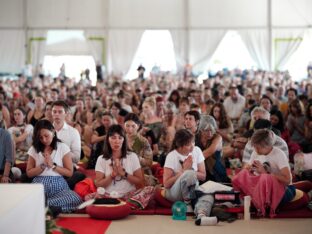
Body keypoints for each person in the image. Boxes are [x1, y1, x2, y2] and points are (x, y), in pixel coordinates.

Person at [232, 129, 295, 217]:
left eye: (258, 147)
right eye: (254, 146)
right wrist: (248, 169)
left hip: (285, 189)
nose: (255, 149)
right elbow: (249, 171)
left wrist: (265, 173)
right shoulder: (255, 152)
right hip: (262, 187)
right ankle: (243, 202)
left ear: (268, 146)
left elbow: (288, 180)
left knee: (265, 178)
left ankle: (261, 206)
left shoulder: (279, 154)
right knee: (241, 175)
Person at [26, 120, 82, 212]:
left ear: (53, 132)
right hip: (40, 184)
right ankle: (50, 208)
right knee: (28, 199)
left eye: (46, 136)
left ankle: (44, 206)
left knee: (75, 199)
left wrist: (53, 166)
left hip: (59, 185)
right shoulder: (34, 149)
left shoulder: (62, 147)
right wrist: (42, 166)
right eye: (40, 138)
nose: (44, 140)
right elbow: (29, 173)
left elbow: (69, 172)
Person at [94, 124, 154, 209]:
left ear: (124, 140)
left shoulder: (132, 156)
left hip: (129, 196)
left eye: (120, 138)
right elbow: (99, 184)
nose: (117, 141)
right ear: (108, 140)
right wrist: (112, 175)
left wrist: (124, 174)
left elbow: (140, 182)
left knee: (150, 190)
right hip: (108, 195)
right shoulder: (101, 159)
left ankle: (122, 205)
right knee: (90, 196)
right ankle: (124, 206)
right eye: (113, 138)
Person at [163, 129, 206, 209]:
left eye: (193, 142)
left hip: (192, 189)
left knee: (206, 194)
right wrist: (184, 171)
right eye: (188, 145)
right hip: (174, 192)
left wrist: (190, 172)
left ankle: (194, 205)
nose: (192, 146)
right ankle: (188, 204)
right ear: (180, 145)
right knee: (188, 173)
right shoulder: (171, 156)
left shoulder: (197, 150)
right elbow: (166, 184)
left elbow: (203, 176)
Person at [52, 100, 85, 189]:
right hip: (48, 166)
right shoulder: (46, 130)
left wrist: (61, 149)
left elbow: (77, 158)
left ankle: (59, 188)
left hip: (66, 168)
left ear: (65, 113)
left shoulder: (73, 132)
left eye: (60, 112)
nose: (57, 114)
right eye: (54, 112)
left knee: (79, 176)